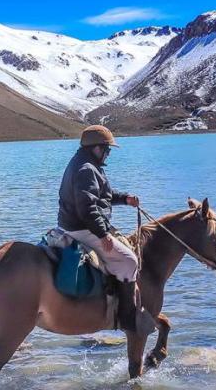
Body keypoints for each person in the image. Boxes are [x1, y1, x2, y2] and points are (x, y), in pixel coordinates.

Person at [57, 124, 155, 336]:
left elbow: (103, 195)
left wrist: (125, 199)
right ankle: (127, 318)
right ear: (96, 148)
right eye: (107, 149)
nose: (108, 153)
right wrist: (103, 234)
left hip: (78, 225)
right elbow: (87, 207)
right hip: (83, 228)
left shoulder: (87, 165)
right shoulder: (86, 170)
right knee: (130, 260)